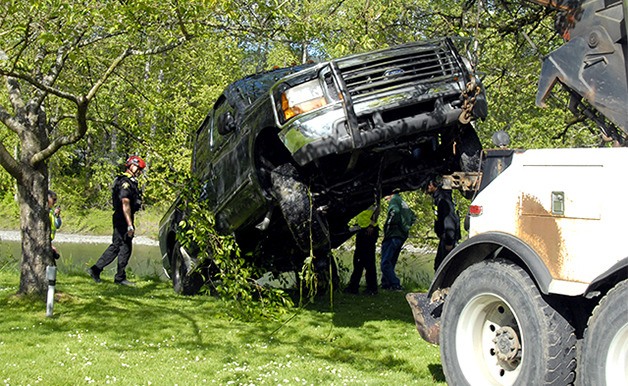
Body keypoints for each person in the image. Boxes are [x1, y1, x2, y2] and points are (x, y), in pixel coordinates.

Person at [87, 155, 146, 286]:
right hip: (122, 217)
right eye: (138, 168)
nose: (140, 171)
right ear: (131, 165)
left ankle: (120, 277)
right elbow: (125, 203)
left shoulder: (131, 182)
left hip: (126, 217)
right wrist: (129, 225)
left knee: (126, 247)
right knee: (117, 246)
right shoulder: (125, 182)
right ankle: (96, 269)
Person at [380, 191, 415, 291]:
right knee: (391, 260)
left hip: (393, 235)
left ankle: (395, 284)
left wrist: (387, 228)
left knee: (385, 262)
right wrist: (406, 227)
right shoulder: (403, 202)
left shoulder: (394, 200)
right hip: (401, 235)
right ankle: (386, 284)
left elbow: (394, 213)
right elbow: (413, 216)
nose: (385, 199)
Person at [344, 203, 380, 295]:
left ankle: (371, 288)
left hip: (369, 229)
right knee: (359, 260)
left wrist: (371, 225)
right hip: (362, 228)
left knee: (368, 260)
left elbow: (377, 209)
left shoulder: (372, 196)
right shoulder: (363, 197)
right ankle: (354, 286)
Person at [427, 179, 461, 271]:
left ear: (432, 184)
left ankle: (444, 285)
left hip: (448, 238)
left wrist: (449, 242)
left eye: (427, 186)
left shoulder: (443, 199)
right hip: (446, 237)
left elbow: (449, 220)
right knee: (443, 265)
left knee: (441, 266)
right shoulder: (442, 197)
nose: (426, 190)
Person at [48, 190, 62, 261]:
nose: (55, 202)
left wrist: (57, 215)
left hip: (49, 241)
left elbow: (57, 225)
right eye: (53, 199)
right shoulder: (43, 212)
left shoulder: (51, 212)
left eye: (55, 200)